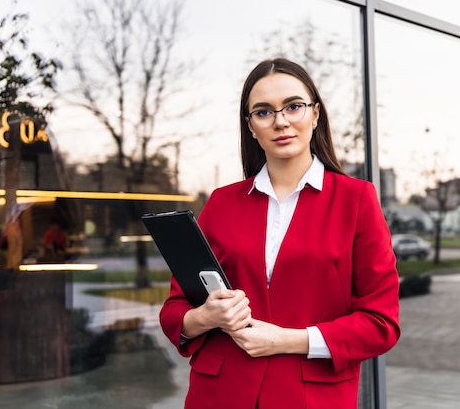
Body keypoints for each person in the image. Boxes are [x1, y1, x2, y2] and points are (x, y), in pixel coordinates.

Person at [159, 57, 400, 409]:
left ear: (315, 114)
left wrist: (291, 340)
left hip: (312, 397)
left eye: (293, 106)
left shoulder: (357, 200)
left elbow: (381, 324)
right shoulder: (221, 203)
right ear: (251, 126)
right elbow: (174, 310)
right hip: (220, 395)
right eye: (264, 112)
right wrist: (204, 317)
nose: (281, 121)